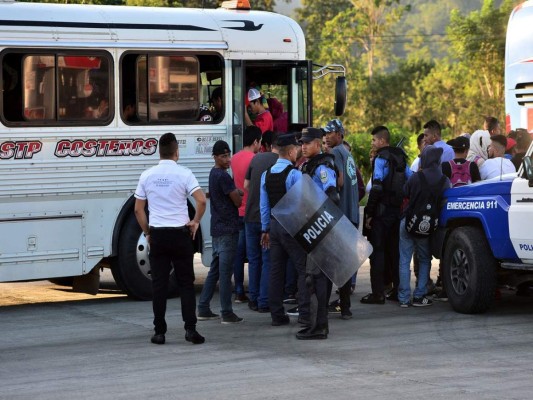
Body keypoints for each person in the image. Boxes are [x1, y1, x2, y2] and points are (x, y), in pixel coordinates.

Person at [134, 132, 206, 345]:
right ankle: (190, 329)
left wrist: (148, 232)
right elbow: (201, 201)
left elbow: (138, 210)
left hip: (158, 235)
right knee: (185, 283)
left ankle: (159, 332)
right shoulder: (184, 174)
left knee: (159, 284)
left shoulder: (147, 175)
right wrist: (195, 221)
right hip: (180, 234)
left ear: (159, 152)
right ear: (177, 152)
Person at [260, 133, 309, 328]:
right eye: (296, 149)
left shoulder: (266, 174)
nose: (298, 151)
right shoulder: (295, 174)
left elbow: (264, 206)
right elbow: (302, 205)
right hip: (292, 226)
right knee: (303, 270)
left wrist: (265, 229)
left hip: (274, 226)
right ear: (290, 151)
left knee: (276, 270)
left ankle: (277, 315)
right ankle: (305, 314)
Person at [362, 125, 412, 305]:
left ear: (383, 141)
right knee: (395, 252)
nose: (373, 143)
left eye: (374, 140)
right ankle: (397, 290)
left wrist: (369, 212)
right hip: (397, 211)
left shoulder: (381, 158)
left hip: (381, 213)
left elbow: (376, 186)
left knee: (377, 252)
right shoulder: (401, 156)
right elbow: (410, 179)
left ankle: (378, 293)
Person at [297, 127, 339, 339]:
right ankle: (316, 324)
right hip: (311, 228)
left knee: (316, 279)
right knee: (313, 278)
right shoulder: (310, 165)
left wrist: (319, 223)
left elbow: (332, 196)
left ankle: (319, 326)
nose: (303, 146)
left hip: (320, 229)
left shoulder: (323, 166)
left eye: (307, 142)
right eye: (302, 143)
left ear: (318, 143)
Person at [197, 140, 244, 324]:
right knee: (225, 274)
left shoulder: (213, 173)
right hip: (228, 229)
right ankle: (226, 312)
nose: (227, 159)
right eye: (223, 156)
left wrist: (235, 192)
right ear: (215, 157)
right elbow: (237, 201)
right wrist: (237, 194)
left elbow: (230, 193)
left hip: (216, 229)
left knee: (215, 271)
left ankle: (203, 307)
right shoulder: (223, 176)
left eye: (228, 155)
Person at [398, 146, 450, 307]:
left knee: (404, 260)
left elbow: (404, 192)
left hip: (408, 222)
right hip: (427, 227)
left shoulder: (416, 177)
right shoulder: (444, 180)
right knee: (425, 259)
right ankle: (420, 296)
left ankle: (404, 298)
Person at [323, 119, 359, 320]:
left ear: (339, 133)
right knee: (345, 264)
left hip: (342, 216)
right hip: (352, 214)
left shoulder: (336, 152)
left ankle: (326, 305)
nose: (327, 136)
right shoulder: (347, 153)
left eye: (329, 133)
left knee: (330, 263)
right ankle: (345, 308)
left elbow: (339, 181)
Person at [244, 132, 280, 313]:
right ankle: (263, 301)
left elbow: (246, 186)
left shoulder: (256, 159)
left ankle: (253, 298)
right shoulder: (279, 163)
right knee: (267, 260)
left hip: (250, 216)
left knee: (254, 260)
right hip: (267, 219)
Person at [231, 126, 262, 303]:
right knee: (254, 255)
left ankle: (238, 289)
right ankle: (255, 290)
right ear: (256, 141)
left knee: (238, 252)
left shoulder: (234, 158)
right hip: (251, 212)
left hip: (238, 210)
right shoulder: (256, 160)